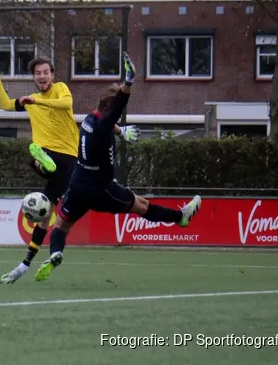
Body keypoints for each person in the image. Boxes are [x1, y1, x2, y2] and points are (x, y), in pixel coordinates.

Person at [35, 52, 202, 282]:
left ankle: (55, 253)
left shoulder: (88, 120)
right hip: (101, 189)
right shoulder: (104, 125)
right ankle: (181, 217)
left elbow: (108, 123)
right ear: (111, 111)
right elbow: (115, 111)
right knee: (142, 205)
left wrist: (122, 132)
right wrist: (129, 81)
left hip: (77, 185)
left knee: (61, 226)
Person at [0, 55, 140, 284]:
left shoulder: (60, 89)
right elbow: (5, 104)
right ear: (33, 77)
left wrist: (36, 101)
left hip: (69, 157)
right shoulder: (32, 101)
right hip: (57, 163)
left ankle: (43, 162)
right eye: (37, 73)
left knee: (38, 162)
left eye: (45, 72)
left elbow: (66, 105)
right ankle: (24, 264)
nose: (42, 76)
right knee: (44, 216)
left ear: (52, 75)